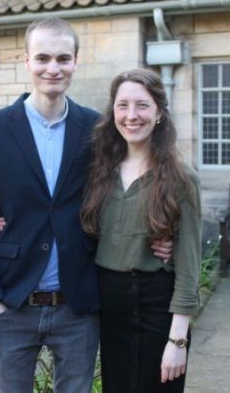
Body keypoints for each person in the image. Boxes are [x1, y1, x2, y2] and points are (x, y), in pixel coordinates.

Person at [0, 18, 172, 392]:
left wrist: (160, 234)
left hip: (76, 305)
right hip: (11, 303)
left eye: (63, 58)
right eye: (42, 57)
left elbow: (125, 189)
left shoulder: (97, 130)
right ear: (26, 60)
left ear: (76, 61)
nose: (53, 68)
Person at [79, 68, 200, 392]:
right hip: (110, 309)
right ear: (113, 112)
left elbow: (189, 267)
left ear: (159, 112)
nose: (132, 115)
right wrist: (1, 223)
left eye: (142, 105)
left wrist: (178, 340)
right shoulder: (97, 174)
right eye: (123, 105)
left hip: (158, 308)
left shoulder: (181, 180)